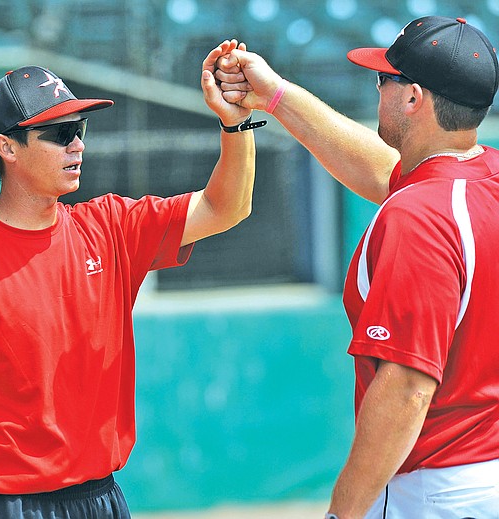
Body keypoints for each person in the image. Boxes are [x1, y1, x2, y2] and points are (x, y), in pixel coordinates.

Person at [0, 40, 264, 519]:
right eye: (60, 133)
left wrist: (236, 121)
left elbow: (227, 206)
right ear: (7, 147)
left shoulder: (111, 226)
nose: (78, 145)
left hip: (100, 499)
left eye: (79, 129)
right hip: (0, 507)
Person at [216, 16, 499, 519]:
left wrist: (341, 513)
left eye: (384, 80)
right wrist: (275, 96)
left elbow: (407, 390)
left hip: (431, 492)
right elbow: (385, 170)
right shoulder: (483, 178)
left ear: (413, 98)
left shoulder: (420, 215)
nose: (379, 90)